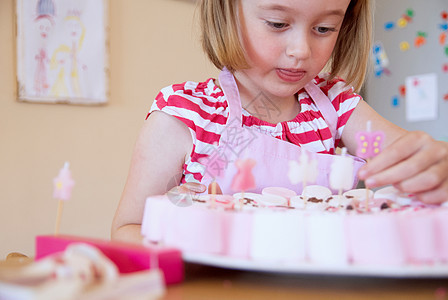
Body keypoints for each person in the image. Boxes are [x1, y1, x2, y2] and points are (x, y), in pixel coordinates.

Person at [112, 0, 448, 243]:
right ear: (228, 10)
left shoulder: (337, 107)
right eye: (277, 23)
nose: (301, 49)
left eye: (323, 28)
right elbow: (126, 230)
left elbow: (411, 160)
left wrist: (435, 166)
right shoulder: (184, 114)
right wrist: (177, 230)